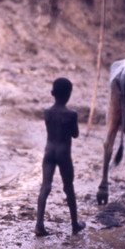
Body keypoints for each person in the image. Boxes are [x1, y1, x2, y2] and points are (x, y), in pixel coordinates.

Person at [35, 77, 86, 236]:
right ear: (69, 94)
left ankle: (39, 225)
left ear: (52, 93)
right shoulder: (72, 114)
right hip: (64, 154)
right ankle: (75, 224)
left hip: (49, 153)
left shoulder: (47, 112)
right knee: (68, 188)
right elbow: (75, 134)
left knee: (45, 186)